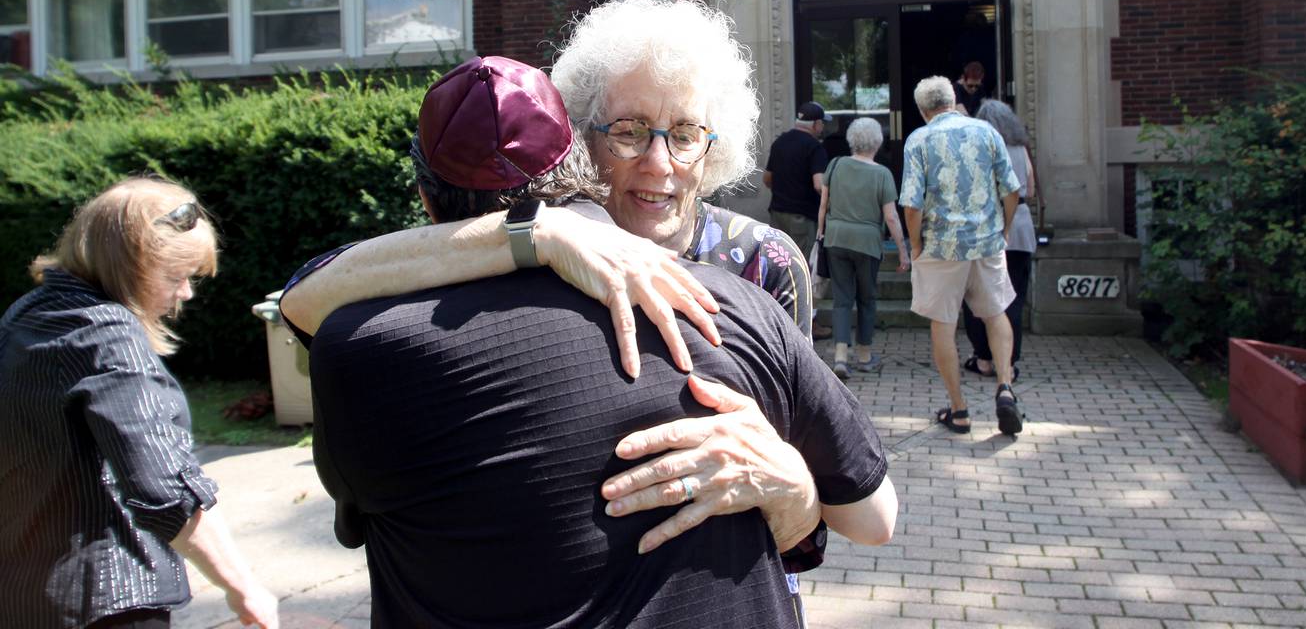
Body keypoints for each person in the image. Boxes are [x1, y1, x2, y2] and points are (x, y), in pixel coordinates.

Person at [301, 55, 896, 627]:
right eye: (631, 131)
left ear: (426, 197)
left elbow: (303, 300)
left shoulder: (365, 350)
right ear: (583, 155)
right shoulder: (738, 312)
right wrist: (534, 231)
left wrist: (792, 485)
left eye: (685, 133)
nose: (660, 161)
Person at [0, 177, 279, 629]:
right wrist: (243, 586)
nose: (186, 292)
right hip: (108, 600)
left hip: (26, 594)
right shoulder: (108, 337)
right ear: (132, 266)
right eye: (176, 276)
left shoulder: (26, 315)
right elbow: (165, 490)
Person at [900, 77, 1024, 436]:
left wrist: (915, 245)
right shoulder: (986, 132)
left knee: (943, 323)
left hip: (940, 246)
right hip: (986, 243)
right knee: (995, 312)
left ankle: (959, 409)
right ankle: (1005, 387)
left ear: (922, 110)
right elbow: (1012, 188)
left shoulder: (919, 139)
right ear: (953, 101)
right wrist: (1004, 229)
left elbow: (912, 203)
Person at [815, 117, 909, 380]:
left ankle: (841, 356)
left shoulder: (835, 164)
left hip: (836, 239)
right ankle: (865, 355)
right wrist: (903, 250)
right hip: (868, 242)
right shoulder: (882, 174)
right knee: (866, 299)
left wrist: (822, 232)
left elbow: (824, 205)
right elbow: (891, 217)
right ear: (878, 143)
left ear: (851, 140)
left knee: (842, 299)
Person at [963, 99, 1040, 382]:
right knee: (1014, 299)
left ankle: (983, 357)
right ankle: (1008, 363)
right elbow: (1029, 190)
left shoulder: (979, 148)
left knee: (978, 298)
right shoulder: (1020, 150)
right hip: (1020, 227)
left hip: (986, 229)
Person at [763, 101, 830, 268]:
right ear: (815, 124)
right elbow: (818, 184)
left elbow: (767, 178)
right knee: (799, 265)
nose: (822, 127)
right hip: (802, 216)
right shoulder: (814, 147)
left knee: (778, 263)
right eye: (822, 123)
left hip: (777, 213)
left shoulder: (780, 142)